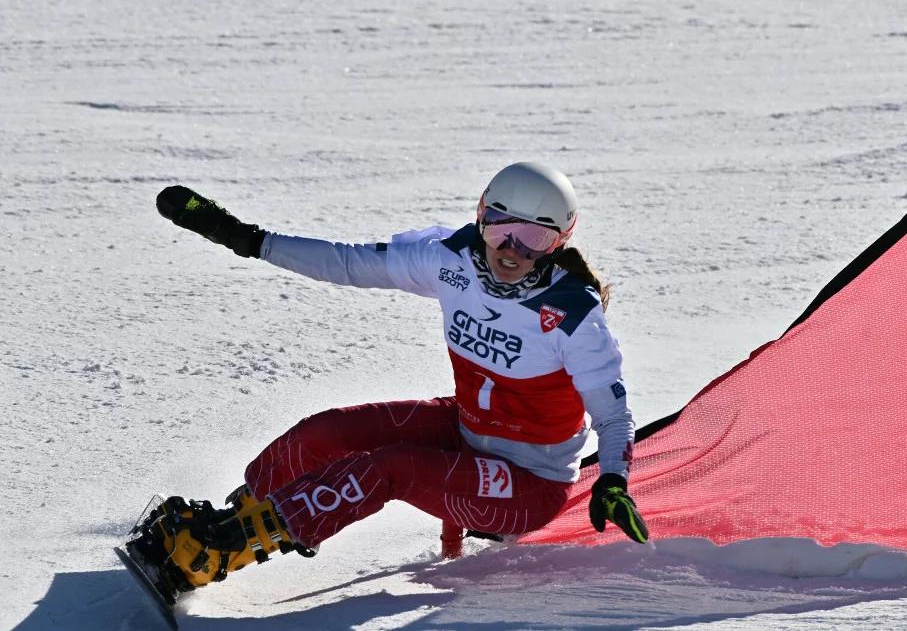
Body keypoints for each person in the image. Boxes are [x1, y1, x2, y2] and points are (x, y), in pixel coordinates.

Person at [127, 162, 648, 598]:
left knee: (389, 469)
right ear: (480, 217)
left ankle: (220, 554)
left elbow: (613, 414)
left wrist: (612, 479)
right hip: (466, 432)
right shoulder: (451, 260)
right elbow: (349, 263)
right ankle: (233, 517)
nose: (512, 249)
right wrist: (248, 239)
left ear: (560, 242)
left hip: (528, 484)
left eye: (535, 237)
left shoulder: (571, 316)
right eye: (499, 228)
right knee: (329, 432)